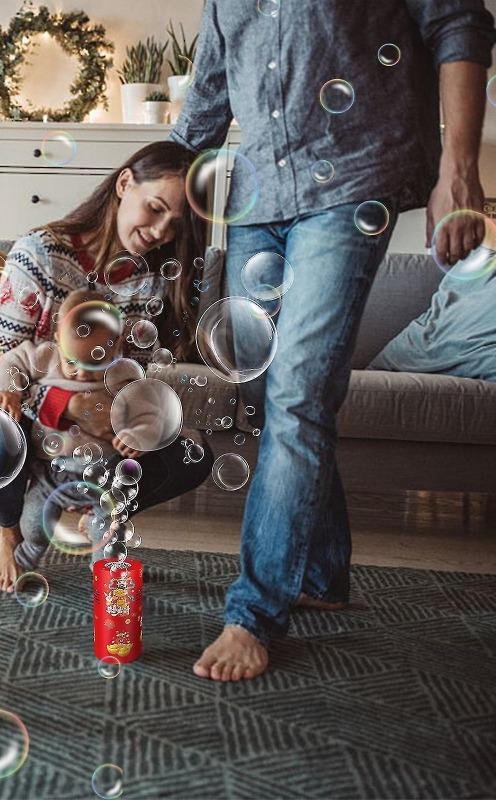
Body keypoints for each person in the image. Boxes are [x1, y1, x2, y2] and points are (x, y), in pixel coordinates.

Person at [171, 0, 496, 681]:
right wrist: (124, 209)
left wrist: (460, 169)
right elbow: (205, 99)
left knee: (298, 390)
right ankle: (320, 572)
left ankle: (252, 615)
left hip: (351, 181)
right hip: (257, 198)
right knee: (265, 388)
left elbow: (459, 21)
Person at [0, 141, 215, 592]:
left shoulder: (154, 278)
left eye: (173, 223)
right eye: (154, 208)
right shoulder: (39, 254)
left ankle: (100, 505)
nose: (160, 231)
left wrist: (124, 424)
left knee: (191, 453)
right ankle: (12, 530)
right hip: (30, 423)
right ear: (125, 184)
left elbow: (135, 377)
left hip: (101, 440)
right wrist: (68, 405)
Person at [0, 288, 162, 573]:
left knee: (105, 533)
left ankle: (105, 575)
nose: (81, 374)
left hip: (105, 477)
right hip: (49, 473)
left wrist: (140, 435)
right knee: (33, 523)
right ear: (56, 339)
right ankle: (30, 550)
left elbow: (149, 410)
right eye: (71, 362)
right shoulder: (45, 356)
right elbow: (11, 362)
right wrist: (8, 390)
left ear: (117, 345)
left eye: (94, 363)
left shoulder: (123, 374)